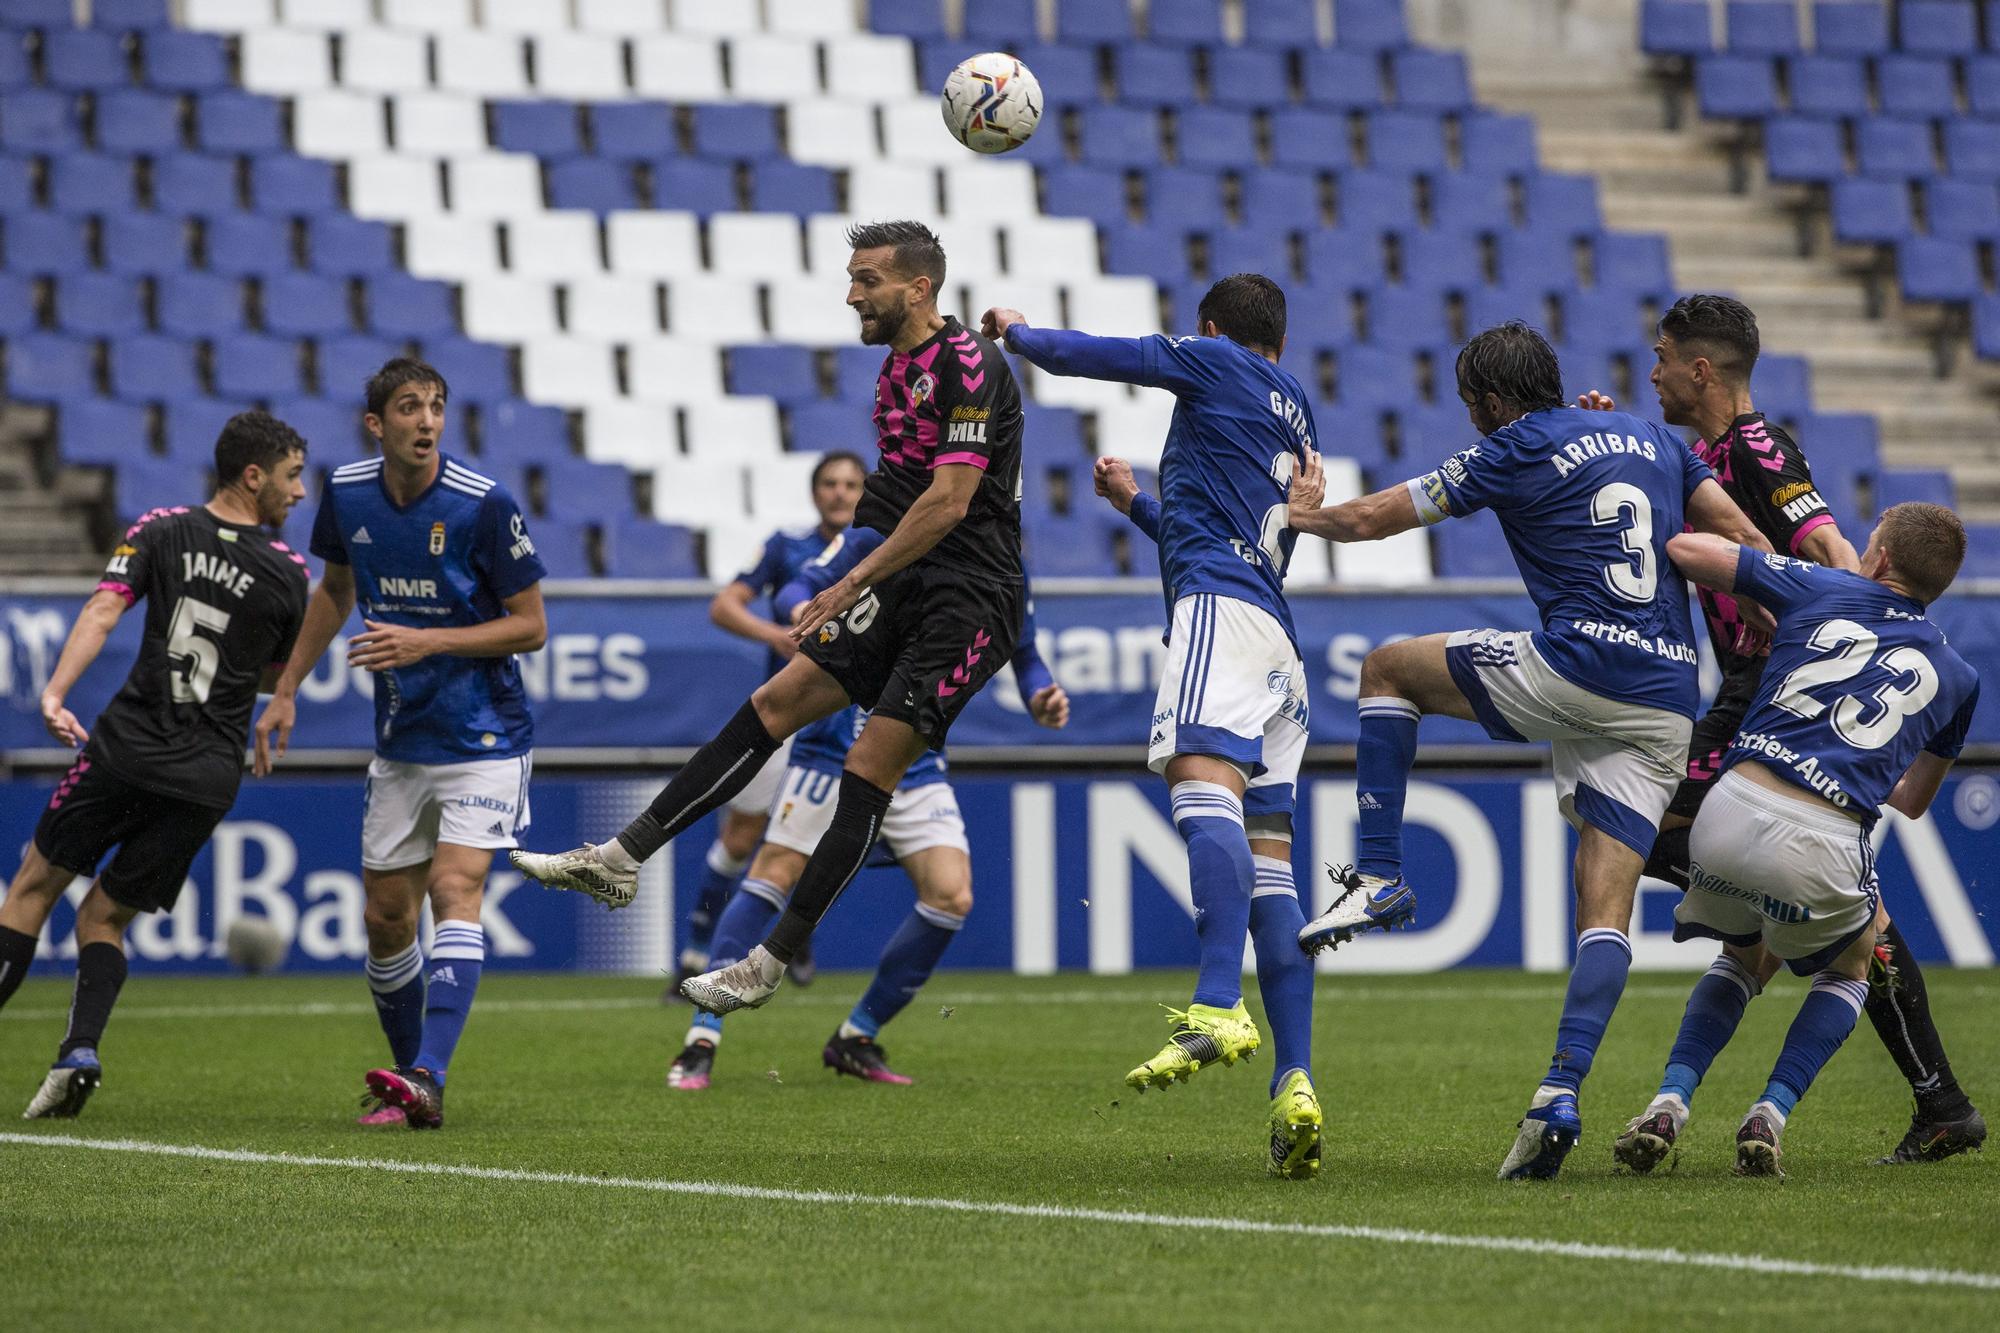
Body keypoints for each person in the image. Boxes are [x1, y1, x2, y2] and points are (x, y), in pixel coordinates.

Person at [1284, 321, 1771, 1180]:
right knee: (1604, 905)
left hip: (1584, 664)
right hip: (1667, 701)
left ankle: (1382, 869)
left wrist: (1301, 516)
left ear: (1497, 402)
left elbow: (1372, 520)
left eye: (1475, 407)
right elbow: (1745, 541)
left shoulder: (1513, 445)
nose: (1476, 422)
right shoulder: (1655, 437)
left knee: (1387, 671)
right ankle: (1559, 1094)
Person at [514, 220, 1027, 1019]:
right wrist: (834, 577)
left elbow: (950, 501)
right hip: (907, 578)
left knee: (868, 767)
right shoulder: (896, 375)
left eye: (867, 279)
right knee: (773, 704)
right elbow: (888, 504)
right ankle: (622, 855)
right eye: (851, 277)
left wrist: (847, 578)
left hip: (971, 602)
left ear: (918, 288)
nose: (851, 292)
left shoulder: (971, 363)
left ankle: (769, 960)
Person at [1598, 295, 1983, 1163]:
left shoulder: (1757, 450)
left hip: (1767, 699)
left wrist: (1854, 620)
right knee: (1788, 906)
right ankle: (1938, 1096)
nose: (1651, 370)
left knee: (1630, 822)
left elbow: (1833, 550)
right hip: (1759, 701)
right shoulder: (1698, 457)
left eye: (1661, 355)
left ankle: (1940, 1098)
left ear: (1702, 369)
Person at [985, 273, 1326, 1181]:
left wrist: (1019, 333)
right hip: (1281, 648)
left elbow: (1111, 357)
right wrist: (1135, 500)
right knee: (1270, 861)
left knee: (1199, 782)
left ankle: (1218, 1003)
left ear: (1213, 330)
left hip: (1220, 612)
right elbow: (1224, 524)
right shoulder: (1297, 410)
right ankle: (1294, 1079)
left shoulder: (1208, 360)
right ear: (1281, 345)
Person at [254, 359, 548, 1130]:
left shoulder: (485, 504)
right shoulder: (347, 491)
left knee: (455, 890)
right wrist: (284, 688)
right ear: (376, 423)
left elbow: (532, 626)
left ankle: (427, 1072)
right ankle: (413, 1084)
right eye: (410, 407)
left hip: (486, 733)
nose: (427, 421)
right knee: (387, 916)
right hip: (403, 741)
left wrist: (427, 642)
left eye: (437, 407)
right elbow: (334, 591)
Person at [669, 526, 1069, 1089]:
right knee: (772, 873)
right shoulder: (883, 536)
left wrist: (1040, 695)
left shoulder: (1005, 567)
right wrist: (809, 609)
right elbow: (797, 589)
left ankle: (856, 1036)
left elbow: (1024, 652)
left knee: (951, 895)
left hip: (914, 759)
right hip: (830, 749)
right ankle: (702, 1037)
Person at [0, 412, 309, 1118]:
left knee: (33, 888)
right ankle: (78, 1049)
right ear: (253, 475)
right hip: (207, 776)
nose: (300, 492)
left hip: (128, 746)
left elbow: (103, 611)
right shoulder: (289, 575)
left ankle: (74, 1052)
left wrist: (54, 692)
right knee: (105, 917)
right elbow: (268, 677)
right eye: (292, 476)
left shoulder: (160, 529)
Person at [673, 451, 868, 997]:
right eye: (830, 483)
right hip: (787, 718)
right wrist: (772, 636)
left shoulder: (881, 549)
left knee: (810, 840)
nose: (840, 493)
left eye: (851, 484)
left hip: (844, 724)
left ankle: (787, 945)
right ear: (814, 493)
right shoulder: (788, 548)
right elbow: (724, 605)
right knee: (740, 838)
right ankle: (693, 958)